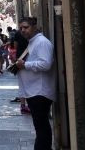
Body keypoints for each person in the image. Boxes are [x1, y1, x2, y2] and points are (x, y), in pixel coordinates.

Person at [15, 17, 56, 150]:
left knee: (41, 126)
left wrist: (25, 64)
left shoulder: (42, 43)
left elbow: (46, 64)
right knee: (40, 126)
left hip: (40, 91)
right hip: (34, 90)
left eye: (26, 27)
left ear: (34, 27)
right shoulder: (33, 42)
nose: (23, 30)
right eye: (21, 28)